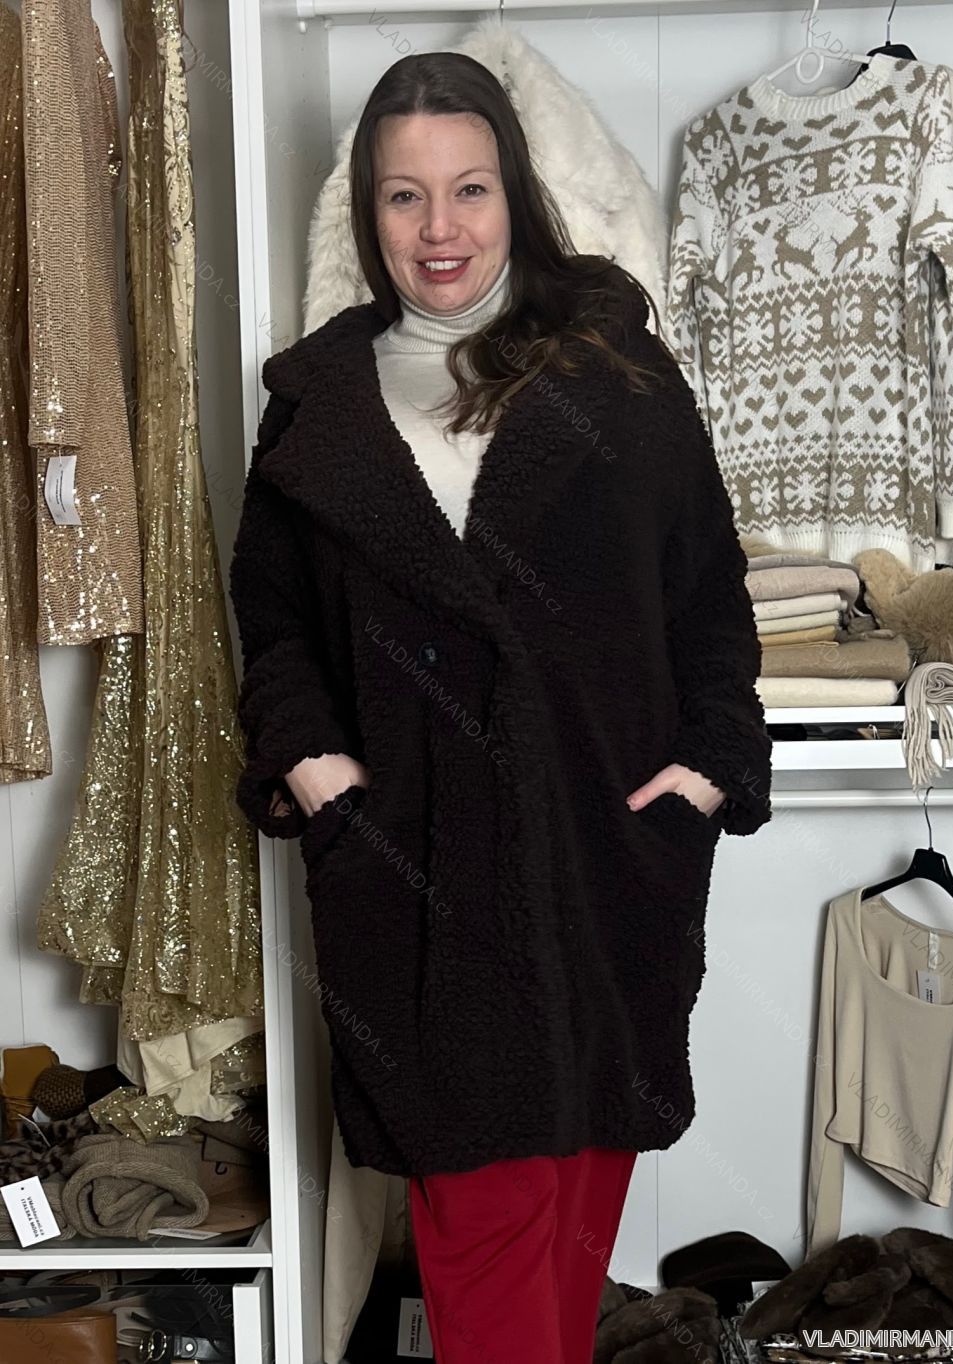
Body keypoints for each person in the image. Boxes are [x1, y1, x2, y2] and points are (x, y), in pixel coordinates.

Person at [229, 49, 772, 1364]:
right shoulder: (316, 409)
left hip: (607, 878)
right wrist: (325, 783)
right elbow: (276, 630)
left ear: (513, 193)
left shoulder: (621, 377)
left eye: (468, 188)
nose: (441, 228)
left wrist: (700, 779)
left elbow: (710, 602)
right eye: (405, 195)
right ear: (367, 210)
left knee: (561, 1289)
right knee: (491, 1289)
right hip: (422, 895)